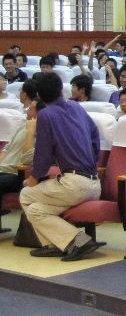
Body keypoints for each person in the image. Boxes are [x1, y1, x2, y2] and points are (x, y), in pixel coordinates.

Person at [19, 72, 101, 261]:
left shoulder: (45, 115)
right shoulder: (76, 107)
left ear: (39, 95)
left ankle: (79, 241)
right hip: (94, 183)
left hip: (73, 185)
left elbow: (43, 154)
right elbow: (95, 136)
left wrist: (34, 178)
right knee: (36, 210)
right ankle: (59, 243)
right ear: (62, 90)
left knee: (25, 194)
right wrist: (90, 159)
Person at [0, 100, 40, 198]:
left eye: (30, 109)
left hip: (15, 174)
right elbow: (6, 148)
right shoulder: (23, 124)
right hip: (2, 170)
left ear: (39, 114)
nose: (27, 111)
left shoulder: (42, 134)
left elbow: (27, 159)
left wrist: (30, 132)